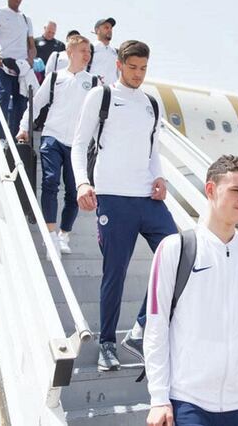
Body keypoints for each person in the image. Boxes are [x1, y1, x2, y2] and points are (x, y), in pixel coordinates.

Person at [144, 155, 238, 426]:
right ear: (210, 190)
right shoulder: (176, 248)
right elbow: (156, 327)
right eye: (236, 191)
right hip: (190, 401)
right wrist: (159, 398)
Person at [72, 40, 177, 371]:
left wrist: (159, 178)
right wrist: (82, 182)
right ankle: (107, 344)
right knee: (115, 272)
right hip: (113, 197)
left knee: (179, 255)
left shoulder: (151, 103)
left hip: (147, 196)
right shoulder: (100, 96)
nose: (138, 75)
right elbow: (78, 144)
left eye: (144, 69)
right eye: (133, 68)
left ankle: (140, 328)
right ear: (119, 65)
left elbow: (153, 150)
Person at [18, 35, 97, 258]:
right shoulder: (54, 78)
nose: (87, 55)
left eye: (89, 51)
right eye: (83, 50)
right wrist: (24, 126)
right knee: (50, 182)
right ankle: (50, 235)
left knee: (73, 192)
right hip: (52, 137)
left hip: (78, 144)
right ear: (70, 53)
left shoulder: (92, 83)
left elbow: (100, 118)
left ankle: (64, 234)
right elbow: (37, 103)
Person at [0, 0, 36, 139]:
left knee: (20, 105)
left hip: (21, 69)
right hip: (4, 65)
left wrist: (30, 60)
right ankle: (0, 138)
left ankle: (14, 140)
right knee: (4, 98)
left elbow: (32, 47)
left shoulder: (26, 19)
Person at [89, 17, 119, 85]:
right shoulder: (89, 48)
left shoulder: (116, 52)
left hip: (111, 93)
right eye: (106, 28)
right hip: (92, 90)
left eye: (111, 28)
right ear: (97, 30)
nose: (110, 30)